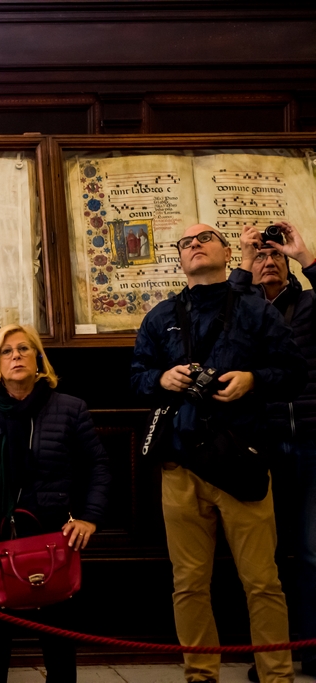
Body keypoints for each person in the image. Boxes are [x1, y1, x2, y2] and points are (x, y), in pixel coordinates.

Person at [130, 224, 306, 683]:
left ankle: (277, 676)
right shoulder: (160, 315)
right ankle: (200, 675)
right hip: (179, 464)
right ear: (180, 258)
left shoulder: (256, 310)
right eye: (185, 242)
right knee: (188, 583)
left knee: (263, 582)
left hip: (242, 459)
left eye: (204, 238)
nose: (194, 245)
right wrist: (160, 380)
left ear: (229, 252)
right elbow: (136, 377)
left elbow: (292, 371)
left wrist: (253, 379)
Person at [0, 324, 110, 683]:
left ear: (38, 359)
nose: (16, 357)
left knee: (57, 639)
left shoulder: (70, 408)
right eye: (7, 352)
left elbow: (99, 466)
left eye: (24, 349)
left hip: (52, 533)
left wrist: (90, 518)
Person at [238, 222, 316, 680]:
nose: (269, 261)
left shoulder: (308, 304)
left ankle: (310, 647)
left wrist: (306, 256)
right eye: (260, 256)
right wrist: (243, 264)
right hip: (258, 443)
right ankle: (272, 655)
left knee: (309, 551)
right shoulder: (240, 308)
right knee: (262, 558)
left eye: (276, 257)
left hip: (309, 439)